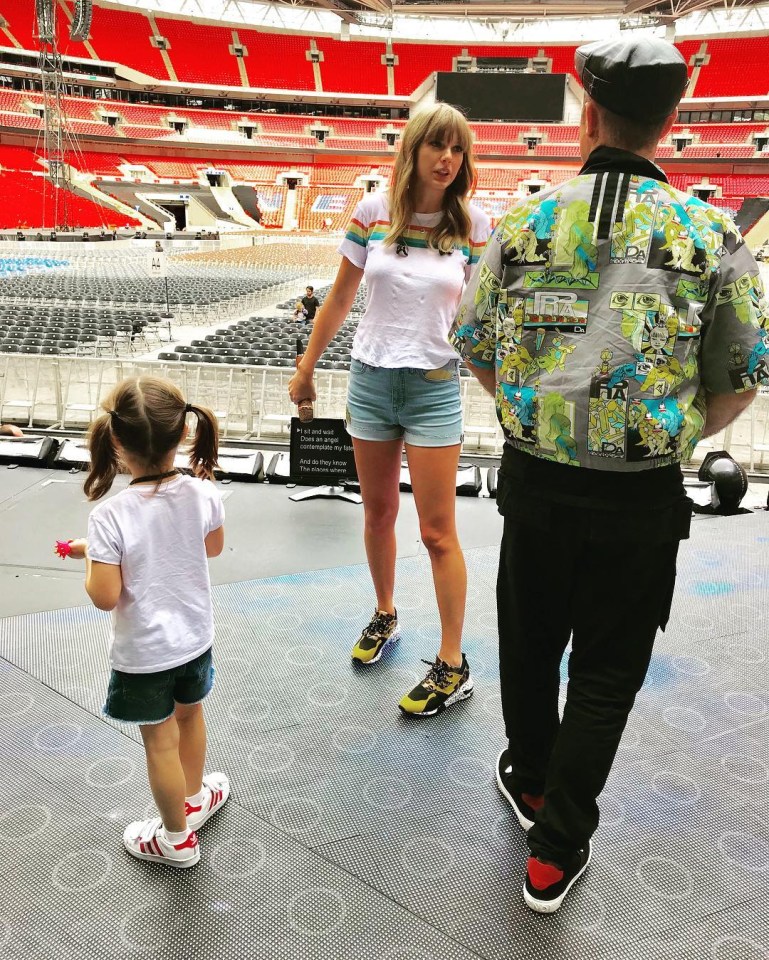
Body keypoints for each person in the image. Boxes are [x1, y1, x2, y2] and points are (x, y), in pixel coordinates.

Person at [452, 36, 769, 914]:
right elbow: (739, 379)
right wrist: (665, 435)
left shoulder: (522, 221)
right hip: (640, 496)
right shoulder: (710, 232)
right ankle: (553, 854)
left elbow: (475, 346)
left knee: (527, 643)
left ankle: (530, 781)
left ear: (587, 112)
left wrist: (533, 411)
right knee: (605, 669)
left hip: (535, 479)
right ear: (670, 124)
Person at [289, 102, 491, 716]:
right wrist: (306, 368)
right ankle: (384, 613)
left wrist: (499, 386)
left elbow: (478, 319)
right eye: (436, 146)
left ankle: (453, 663)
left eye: (457, 149)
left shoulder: (475, 226)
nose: (447, 159)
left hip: (433, 385)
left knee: (436, 532)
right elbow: (341, 294)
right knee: (377, 514)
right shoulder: (373, 213)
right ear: (412, 151)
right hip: (371, 380)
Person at [58, 376, 230, 869]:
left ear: (114, 440)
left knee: (160, 741)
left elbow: (104, 596)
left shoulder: (110, 516)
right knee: (191, 715)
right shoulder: (203, 492)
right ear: (182, 435)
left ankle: (175, 839)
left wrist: (93, 559)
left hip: (146, 655)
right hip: (195, 640)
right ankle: (194, 800)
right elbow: (209, 548)